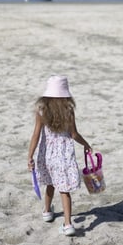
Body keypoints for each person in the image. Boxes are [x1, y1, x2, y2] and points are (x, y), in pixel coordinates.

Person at [27, 75, 92, 236]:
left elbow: (36, 135)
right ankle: (68, 224)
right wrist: (86, 144)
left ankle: (47, 212)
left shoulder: (41, 110)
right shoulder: (68, 110)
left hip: (47, 155)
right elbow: (74, 134)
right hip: (64, 155)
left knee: (50, 183)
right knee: (64, 190)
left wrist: (30, 156)